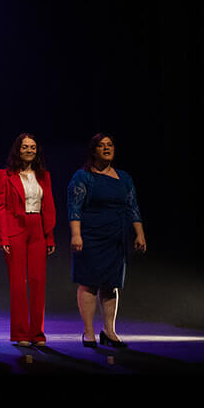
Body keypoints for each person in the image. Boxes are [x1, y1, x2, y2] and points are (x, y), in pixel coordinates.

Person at [68, 133, 146, 348]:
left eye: (110, 144)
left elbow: (132, 206)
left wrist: (139, 233)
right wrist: (76, 234)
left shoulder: (124, 177)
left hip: (116, 237)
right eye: (101, 146)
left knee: (111, 285)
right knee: (90, 282)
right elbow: (74, 207)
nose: (106, 148)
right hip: (91, 235)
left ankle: (109, 331)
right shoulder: (83, 177)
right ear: (93, 151)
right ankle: (89, 332)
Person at [0, 134, 56, 346]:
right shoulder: (4, 175)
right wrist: (3, 236)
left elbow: (48, 207)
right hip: (15, 230)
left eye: (33, 147)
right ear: (17, 150)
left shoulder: (43, 175)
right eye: (25, 147)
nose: (29, 150)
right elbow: (0, 207)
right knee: (18, 284)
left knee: (38, 282)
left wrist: (49, 236)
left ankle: (37, 334)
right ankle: (20, 334)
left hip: (37, 228)